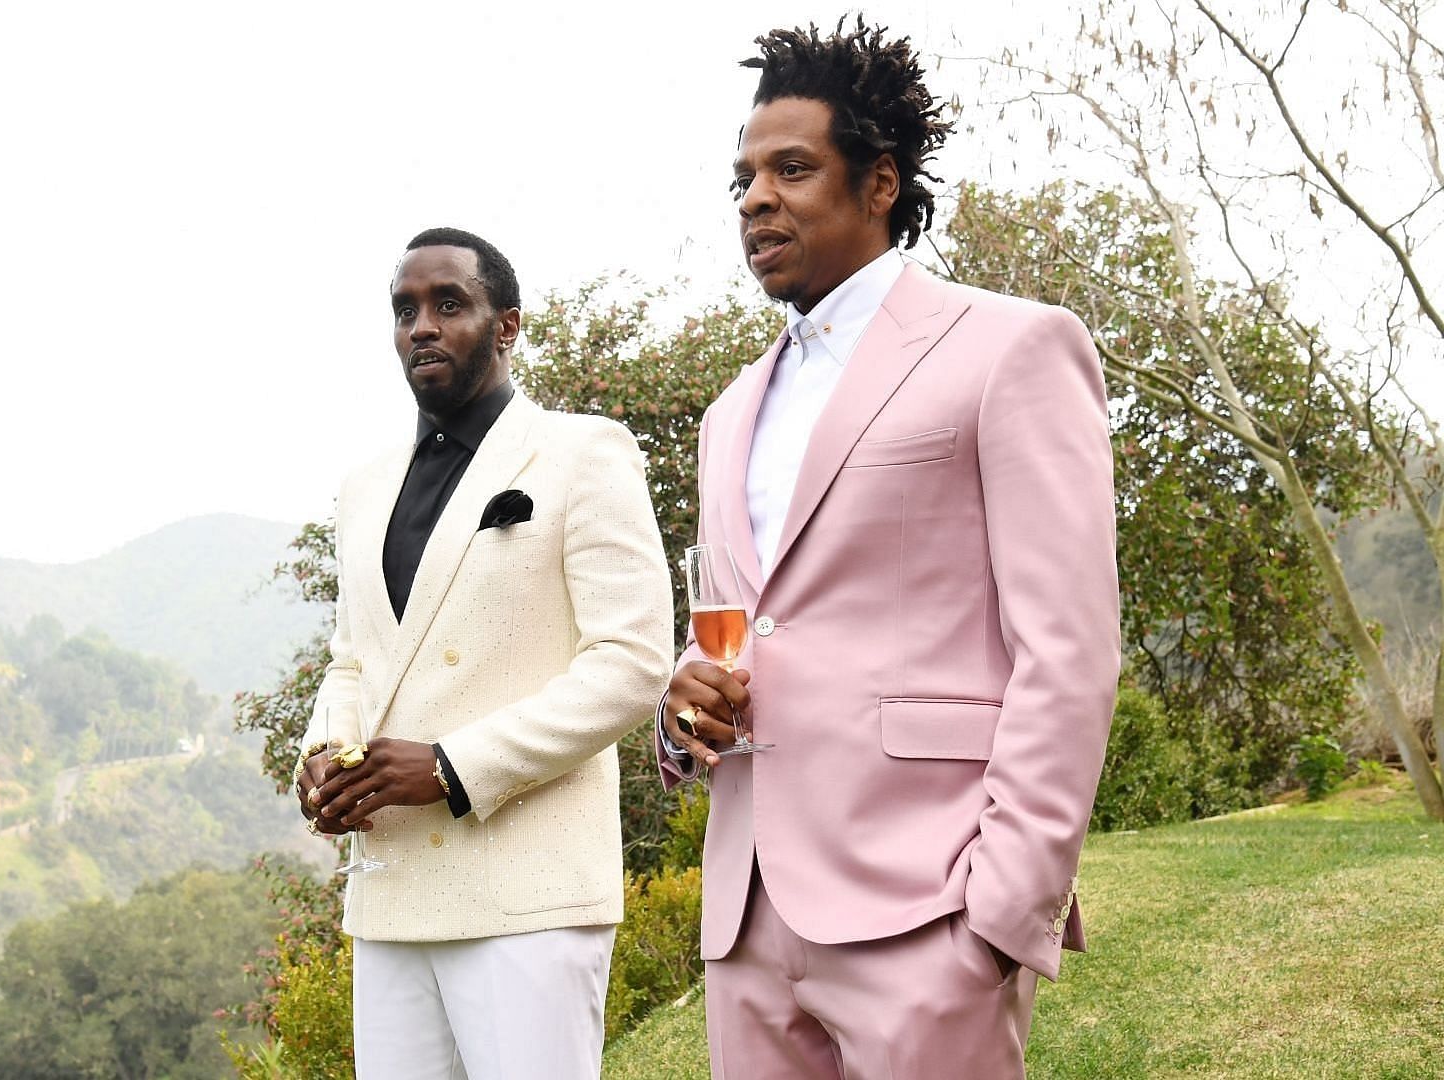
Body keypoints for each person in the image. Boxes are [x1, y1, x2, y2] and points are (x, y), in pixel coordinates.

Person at [656, 20, 1121, 1079]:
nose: (755, 200)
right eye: (741, 179)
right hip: (748, 925)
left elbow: (1070, 650)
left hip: (928, 913)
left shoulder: (1012, 348)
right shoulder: (729, 414)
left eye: (791, 169)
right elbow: (737, 636)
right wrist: (679, 720)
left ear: (880, 185)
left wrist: (1001, 914)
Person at [297, 227, 674, 1079]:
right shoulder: (363, 487)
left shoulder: (584, 453)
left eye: (448, 305)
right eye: (405, 311)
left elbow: (631, 661)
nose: (421, 326)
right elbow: (353, 657)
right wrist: (323, 757)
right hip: (390, 895)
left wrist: (451, 767)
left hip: (529, 896)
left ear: (506, 326)